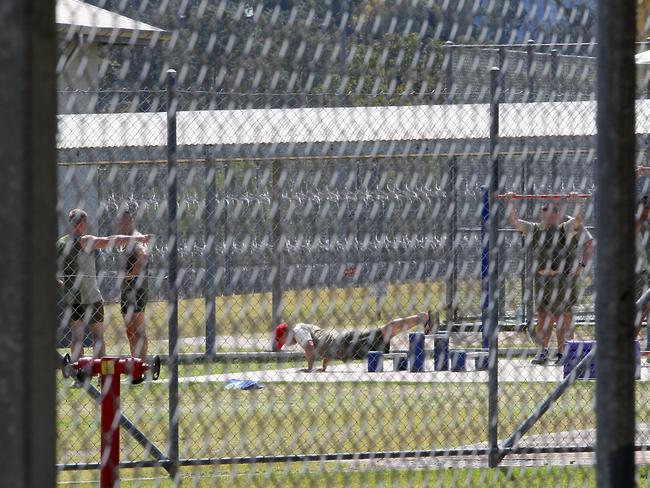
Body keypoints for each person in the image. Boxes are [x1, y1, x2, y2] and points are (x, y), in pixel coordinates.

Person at [504, 193, 593, 365]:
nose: (549, 216)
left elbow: (579, 220)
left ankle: (563, 352)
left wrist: (576, 201)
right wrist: (510, 201)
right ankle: (542, 352)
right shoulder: (535, 229)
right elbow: (515, 222)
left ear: (558, 215)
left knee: (563, 317)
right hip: (542, 280)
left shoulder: (564, 228)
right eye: (545, 212)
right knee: (543, 316)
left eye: (553, 213)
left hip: (561, 280)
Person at [57, 208, 151, 363]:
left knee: (77, 337)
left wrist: (62, 285)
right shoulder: (85, 240)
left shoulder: (61, 243)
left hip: (72, 297)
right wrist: (140, 239)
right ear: (82, 224)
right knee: (98, 337)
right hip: (91, 297)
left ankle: (78, 374)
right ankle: (102, 374)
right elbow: (111, 239)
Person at [272, 312, 433, 372]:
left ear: (286, 333)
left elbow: (310, 347)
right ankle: (421, 320)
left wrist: (310, 369)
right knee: (386, 334)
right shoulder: (301, 330)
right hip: (345, 347)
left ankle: (422, 318)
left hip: (347, 344)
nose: (284, 345)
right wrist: (324, 366)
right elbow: (324, 344)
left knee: (384, 331)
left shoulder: (298, 330)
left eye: (282, 341)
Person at [117, 203, 150, 361]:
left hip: (136, 291)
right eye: (120, 221)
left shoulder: (136, 240)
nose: (122, 224)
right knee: (130, 331)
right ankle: (135, 365)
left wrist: (133, 273)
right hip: (126, 292)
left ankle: (141, 367)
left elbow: (143, 256)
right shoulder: (126, 241)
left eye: (125, 221)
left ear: (131, 221)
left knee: (138, 331)